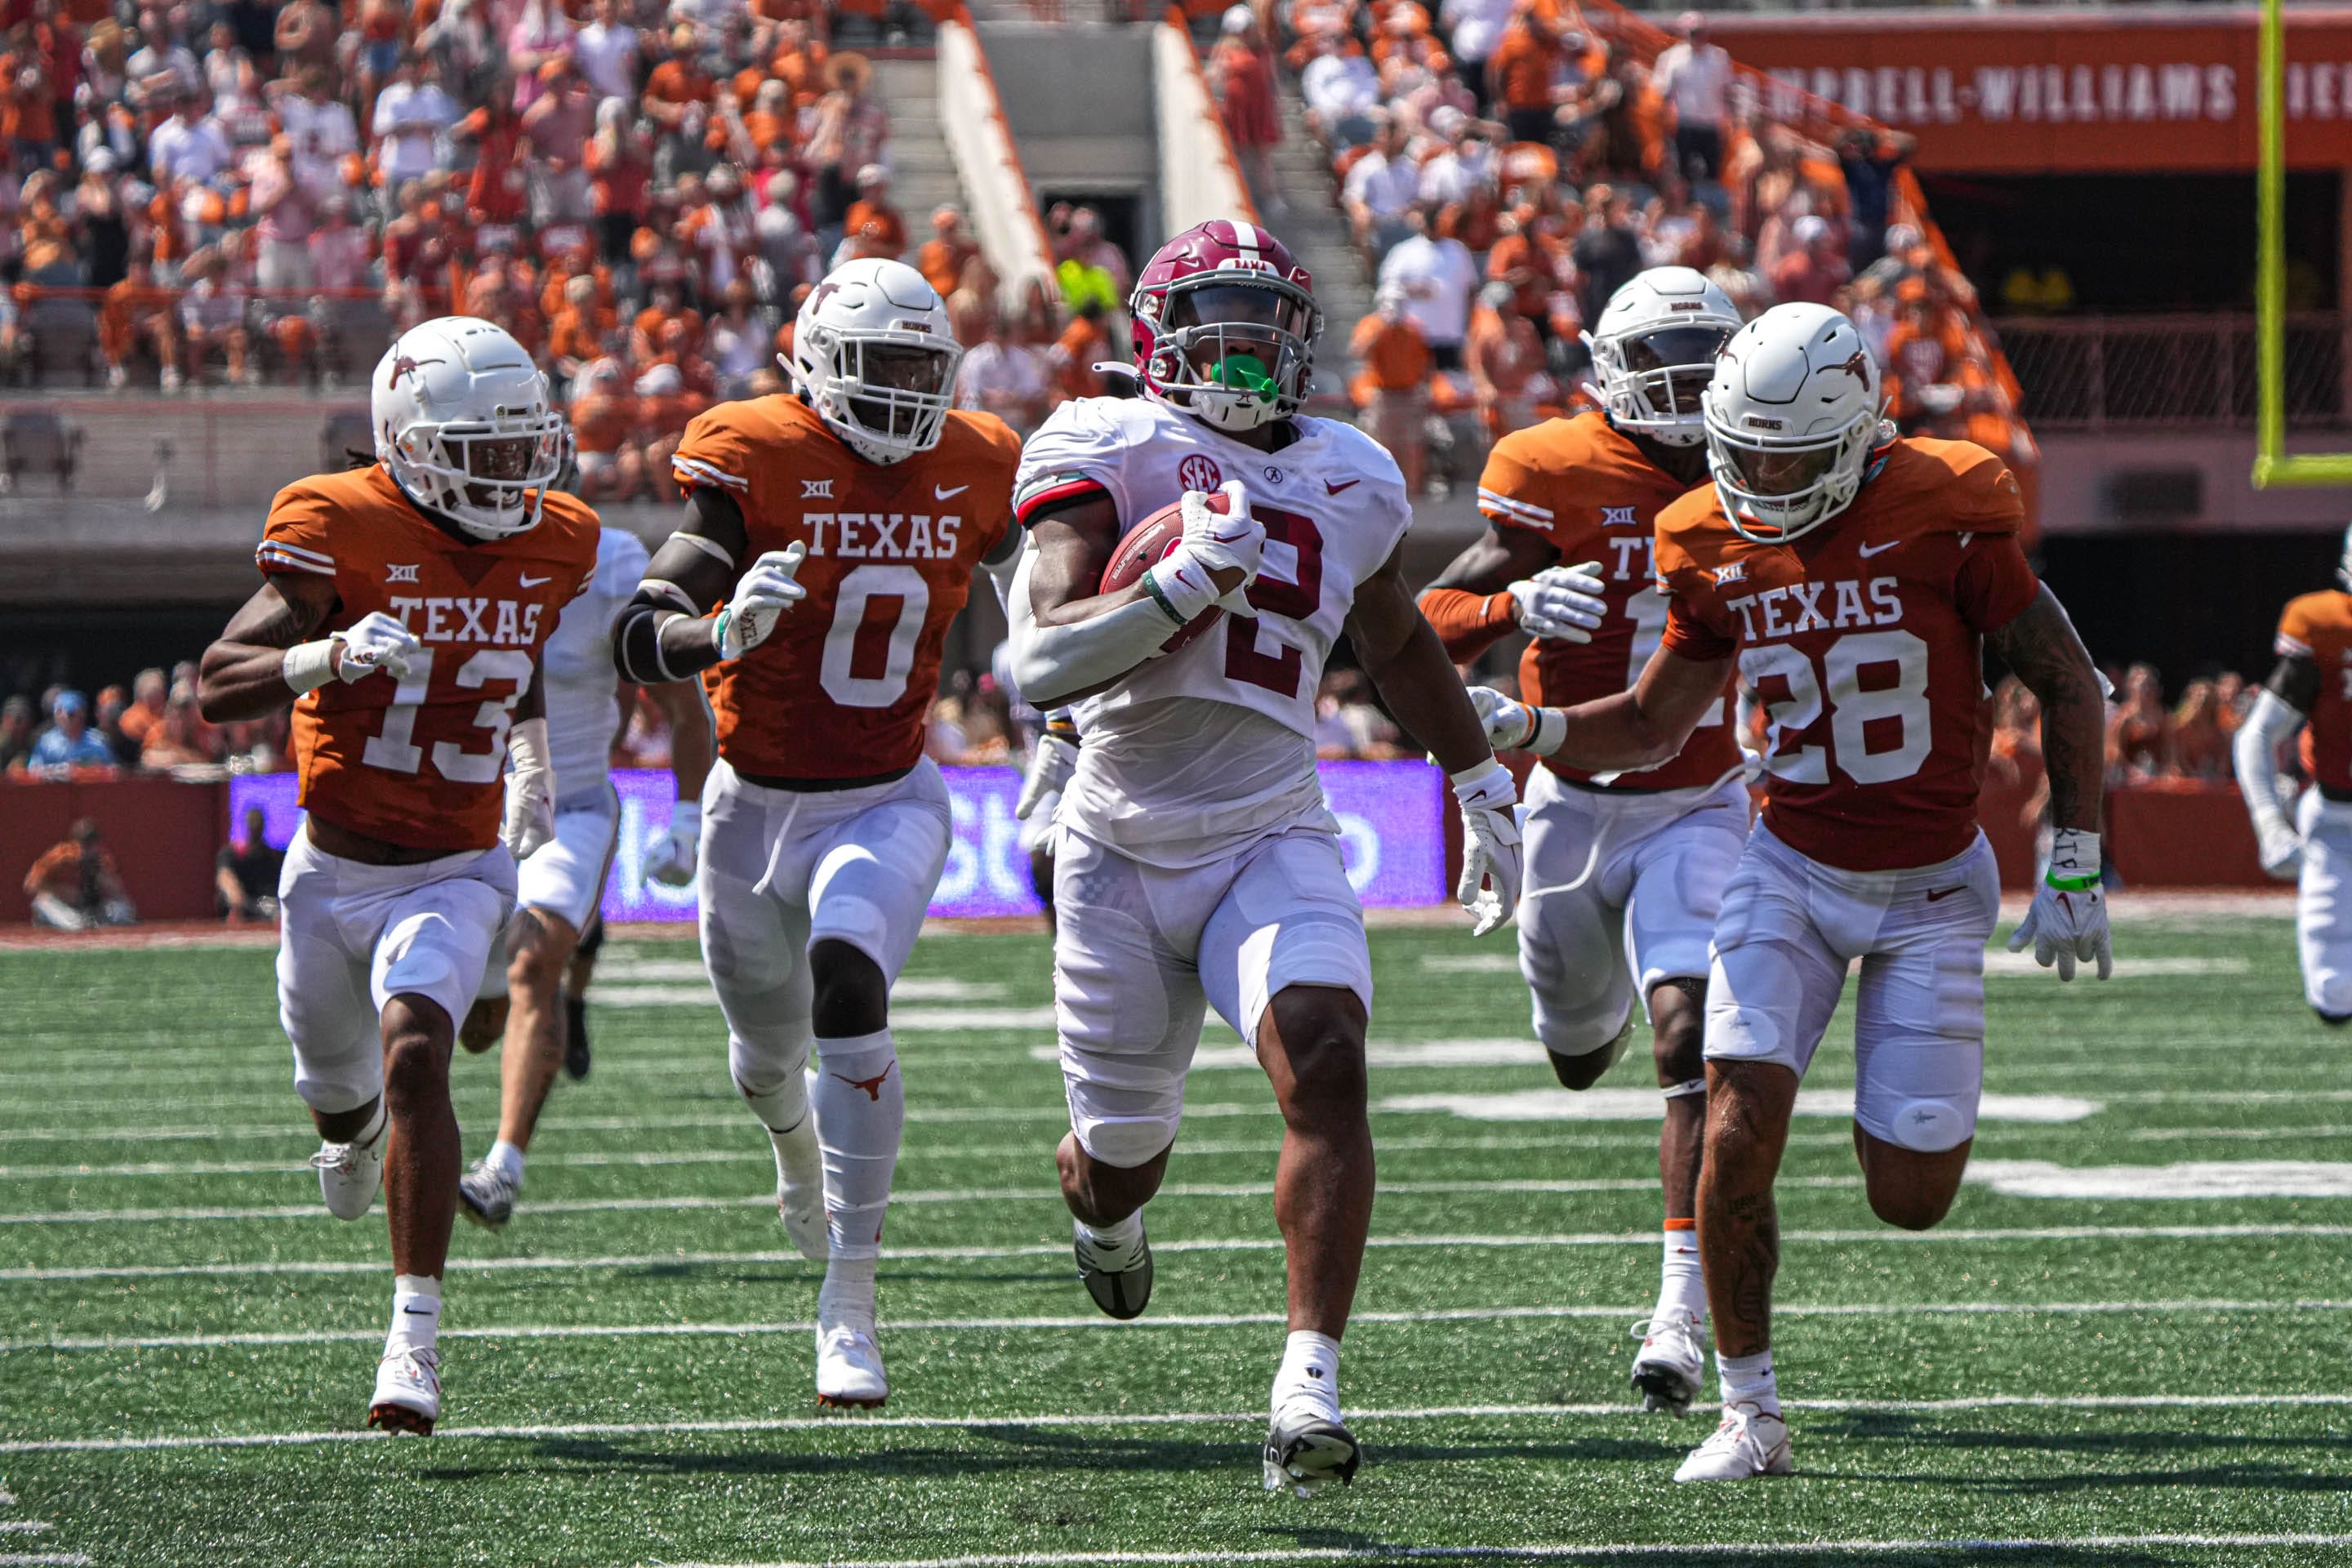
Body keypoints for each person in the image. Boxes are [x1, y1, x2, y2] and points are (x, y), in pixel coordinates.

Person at [1469, 301, 2110, 1483]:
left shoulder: (1946, 507)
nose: (1762, 474)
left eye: (1792, 455)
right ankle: (1748, 1411)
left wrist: (2074, 852)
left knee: (1911, 1196)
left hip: (1927, 886)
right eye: (1746, 449)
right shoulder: (1706, 535)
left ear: (1862, 433)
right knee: (1732, 1120)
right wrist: (1538, 725)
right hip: (1788, 866)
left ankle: (1881, 1119)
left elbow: (2070, 684)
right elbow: (1660, 716)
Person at [1005, 219, 1523, 1499]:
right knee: (1120, 1152)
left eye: (1267, 324)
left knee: (1329, 1058)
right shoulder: (1105, 443)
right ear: (1157, 339)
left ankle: (1309, 1383)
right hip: (1119, 841)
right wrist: (1181, 589)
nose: (1243, 349)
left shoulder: (1351, 474)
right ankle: (1106, 1209)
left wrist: (1477, 772)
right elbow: (1039, 657)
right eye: (1215, 322)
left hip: (1270, 827)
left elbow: (1395, 638)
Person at [612, 257, 1021, 1410]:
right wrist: (716, 631)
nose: (900, 391)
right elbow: (642, 633)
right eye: (877, 365)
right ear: (815, 365)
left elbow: (1044, 585)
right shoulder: (756, 454)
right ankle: (793, 1144)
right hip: (751, 807)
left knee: (849, 978)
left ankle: (850, 1296)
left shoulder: (979, 460)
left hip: (887, 793)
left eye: (918, 367)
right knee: (760, 1055)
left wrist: (1073, 704)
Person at [194, 316, 597, 1436]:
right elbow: (216, 684)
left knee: (417, 1048)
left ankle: (413, 1339)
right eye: (485, 446)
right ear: (409, 442)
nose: (514, 469)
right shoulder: (337, 522)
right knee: (341, 1093)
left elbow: (504, 661)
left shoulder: (555, 537)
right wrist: (326, 654)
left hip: (457, 864)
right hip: (332, 872)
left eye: (524, 444)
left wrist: (527, 761)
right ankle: (348, 1131)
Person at [1423, 268, 1744, 1416]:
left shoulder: (1760, 461)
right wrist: (1513, 608)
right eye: (1668, 368)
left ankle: (1679, 1316)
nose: (1695, 390)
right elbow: (1424, 630)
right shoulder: (1548, 467)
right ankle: (1592, 1012)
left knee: (1689, 1035)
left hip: (1704, 798)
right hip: (1568, 798)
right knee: (1574, 1049)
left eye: (1710, 365)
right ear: (1608, 374)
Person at [452, 519, 713, 1227]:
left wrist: (686, 820)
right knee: (477, 1025)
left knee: (536, 959)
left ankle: (503, 1166)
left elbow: (684, 704)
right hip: (465, 812)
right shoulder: (439, 552)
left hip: (574, 809)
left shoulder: (614, 564)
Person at [2234, 523, 2352, 1022]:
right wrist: (2269, 825)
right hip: (2336, 819)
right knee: (2333, 989)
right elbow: (2256, 736)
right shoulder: (2326, 627)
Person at [1651, 12, 1730, 183]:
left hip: (1711, 125)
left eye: (1702, 31)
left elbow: (1727, 91)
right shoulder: (1671, 58)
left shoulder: (1719, 57)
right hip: (1684, 125)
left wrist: (1728, 121)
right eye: (1694, 32)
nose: (1699, 36)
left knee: (1713, 174)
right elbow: (1662, 93)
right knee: (1683, 175)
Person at [24, 817, 137, 929]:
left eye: (91, 843)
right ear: (73, 843)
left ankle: (88, 924)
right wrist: (60, 890)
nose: (86, 849)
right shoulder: (59, 857)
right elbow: (30, 884)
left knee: (124, 908)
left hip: (89, 908)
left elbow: (118, 891)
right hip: (62, 905)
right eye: (83, 843)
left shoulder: (101, 859)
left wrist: (100, 877)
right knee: (45, 903)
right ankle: (63, 922)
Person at [217, 803, 284, 922]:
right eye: (252, 825)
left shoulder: (272, 857)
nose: (255, 829)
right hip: (243, 905)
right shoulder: (231, 854)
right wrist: (236, 898)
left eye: (258, 825)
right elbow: (225, 878)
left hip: (268, 905)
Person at [28, 689, 118, 773]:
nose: (64, 718)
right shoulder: (46, 742)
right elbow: (33, 771)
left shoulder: (97, 740)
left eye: (71, 714)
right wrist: (60, 770)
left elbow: (112, 771)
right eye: (59, 712)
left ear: (82, 714)